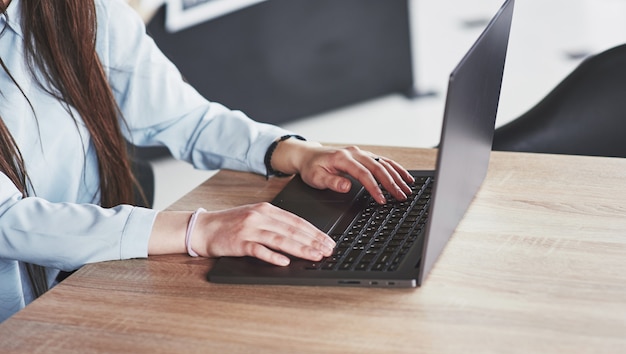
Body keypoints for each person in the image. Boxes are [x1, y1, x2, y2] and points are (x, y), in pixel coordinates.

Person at [0, 0, 414, 322]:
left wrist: (292, 151)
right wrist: (201, 228)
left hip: (90, 281)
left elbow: (179, 116)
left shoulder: (78, 9)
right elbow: (7, 222)